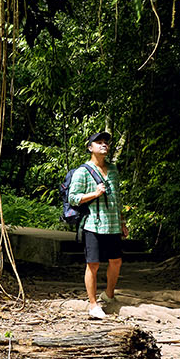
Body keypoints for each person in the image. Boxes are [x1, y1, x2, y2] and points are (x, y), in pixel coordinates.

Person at [68, 131, 124, 319]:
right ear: (90, 148)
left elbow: (118, 198)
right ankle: (93, 305)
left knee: (116, 261)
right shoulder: (82, 172)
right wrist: (95, 194)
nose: (103, 145)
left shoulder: (114, 170)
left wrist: (122, 221)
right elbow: (73, 198)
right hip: (93, 224)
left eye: (105, 142)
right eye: (98, 142)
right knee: (93, 264)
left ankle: (108, 295)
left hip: (113, 224)